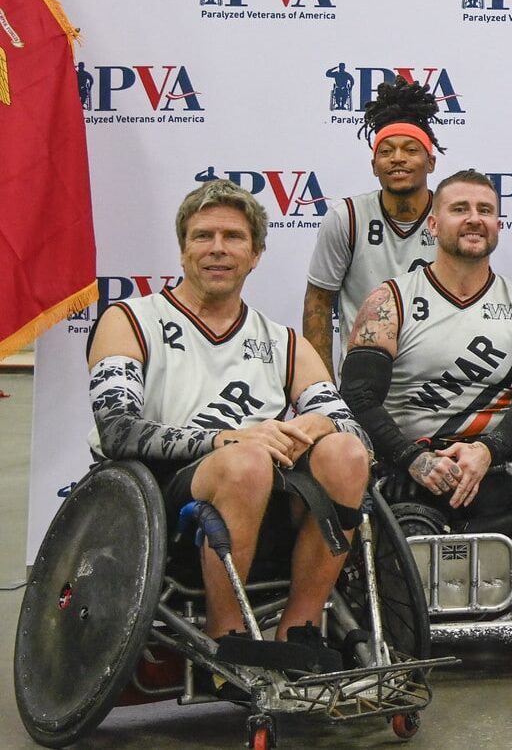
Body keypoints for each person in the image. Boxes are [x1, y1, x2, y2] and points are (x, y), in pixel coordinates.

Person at [86, 180, 369, 667]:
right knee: (245, 462)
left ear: (256, 253)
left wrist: (323, 426)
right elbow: (117, 430)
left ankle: (297, 629)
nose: (218, 249)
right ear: (182, 251)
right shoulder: (130, 319)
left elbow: (355, 433)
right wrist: (225, 439)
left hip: (268, 500)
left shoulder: (282, 342)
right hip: (159, 500)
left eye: (234, 237)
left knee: (344, 453)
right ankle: (227, 633)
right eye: (203, 236)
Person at [338, 170, 512, 534]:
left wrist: (488, 450)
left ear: (498, 225)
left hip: (494, 468)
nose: (474, 219)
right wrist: (414, 459)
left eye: (485, 210)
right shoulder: (389, 300)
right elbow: (358, 395)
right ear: (433, 225)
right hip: (403, 468)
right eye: (460, 209)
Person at [305, 80, 447, 377]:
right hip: (364, 385)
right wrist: (323, 391)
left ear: (430, 162)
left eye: (410, 149)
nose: (397, 158)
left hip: (435, 383)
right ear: (373, 165)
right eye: (386, 151)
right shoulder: (346, 217)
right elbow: (318, 302)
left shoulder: (451, 218)